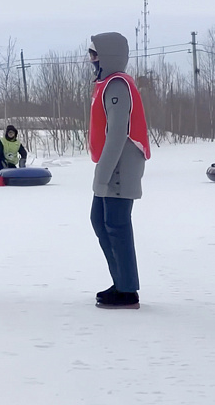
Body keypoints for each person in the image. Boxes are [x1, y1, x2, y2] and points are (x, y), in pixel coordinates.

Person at [87, 33, 150, 309]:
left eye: (94, 54)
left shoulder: (117, 86)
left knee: (116, 224)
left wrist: (103, 174)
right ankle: (120, 282)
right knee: (100, 221)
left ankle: (127, 290)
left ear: (107, 55)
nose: (91, 59)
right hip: (110, 165)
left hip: (120, 168)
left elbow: (116, 134)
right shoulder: (107, 84)